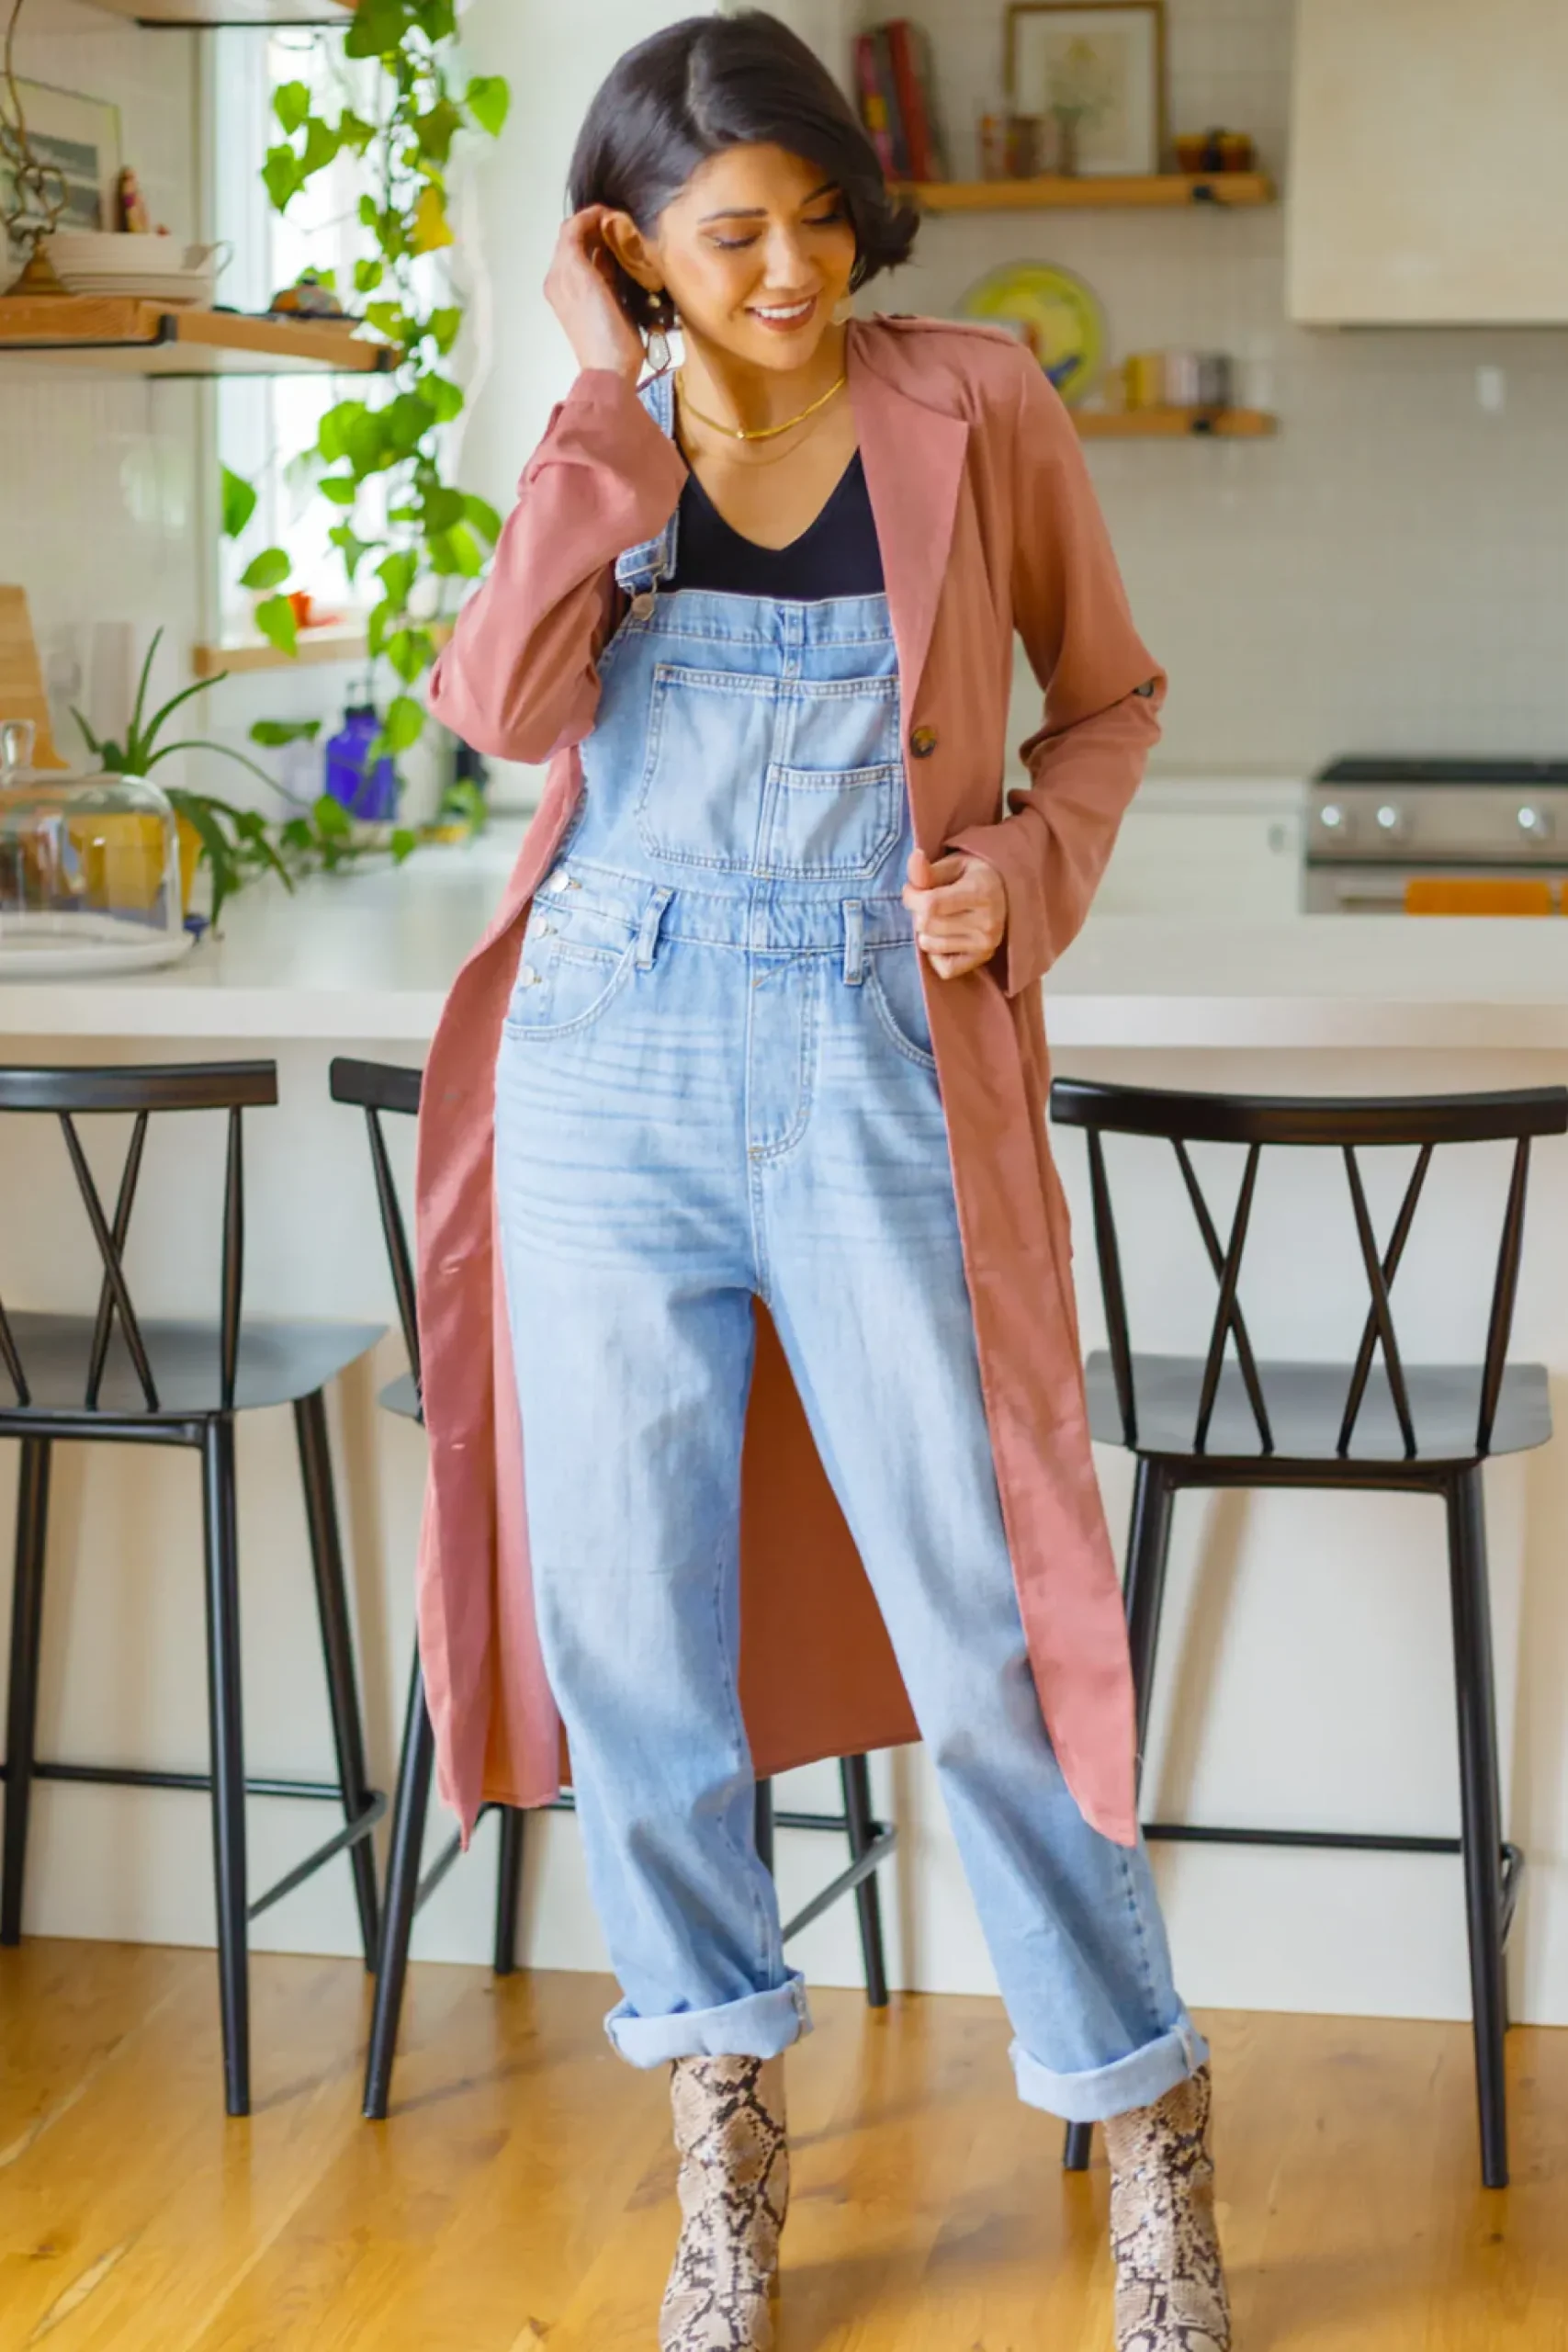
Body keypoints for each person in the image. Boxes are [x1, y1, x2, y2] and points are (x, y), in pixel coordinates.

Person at [418, 13, 1229, 2350]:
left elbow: (1109, 697)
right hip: (607, 1056)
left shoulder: (975, 398)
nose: (788, 270)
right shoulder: (607, 439)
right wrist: (600, 395)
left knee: (988, 1628)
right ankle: (724, 2163)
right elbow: (497, 708)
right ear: (633, 250)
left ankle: (1146, 2126)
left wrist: (1017, 871)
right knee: (635, 1650)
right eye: (726, 236)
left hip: (874, 1050)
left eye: (815, 218)